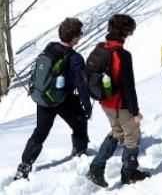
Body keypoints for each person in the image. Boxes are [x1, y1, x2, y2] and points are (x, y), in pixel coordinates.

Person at [15, 18, 91, 181]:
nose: (81, 37)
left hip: (44, 97)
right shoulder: (75, 58)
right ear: (74, 38)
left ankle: (24, 166)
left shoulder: (50, 47)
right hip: (65, 99)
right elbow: (82, 85)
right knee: (79, 123)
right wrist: (87, 107)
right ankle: (80, 153)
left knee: (40, 132)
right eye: (80, 34)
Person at [86, 14, 151, 187]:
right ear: (127, 32)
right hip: (120, 104)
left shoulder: (101, 48)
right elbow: (129, 87)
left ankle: (96, 168)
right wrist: (135, 112)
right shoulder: (122, 55)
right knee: (132, 137)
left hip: (105, 102)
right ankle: (129, 173)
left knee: (116, 132)